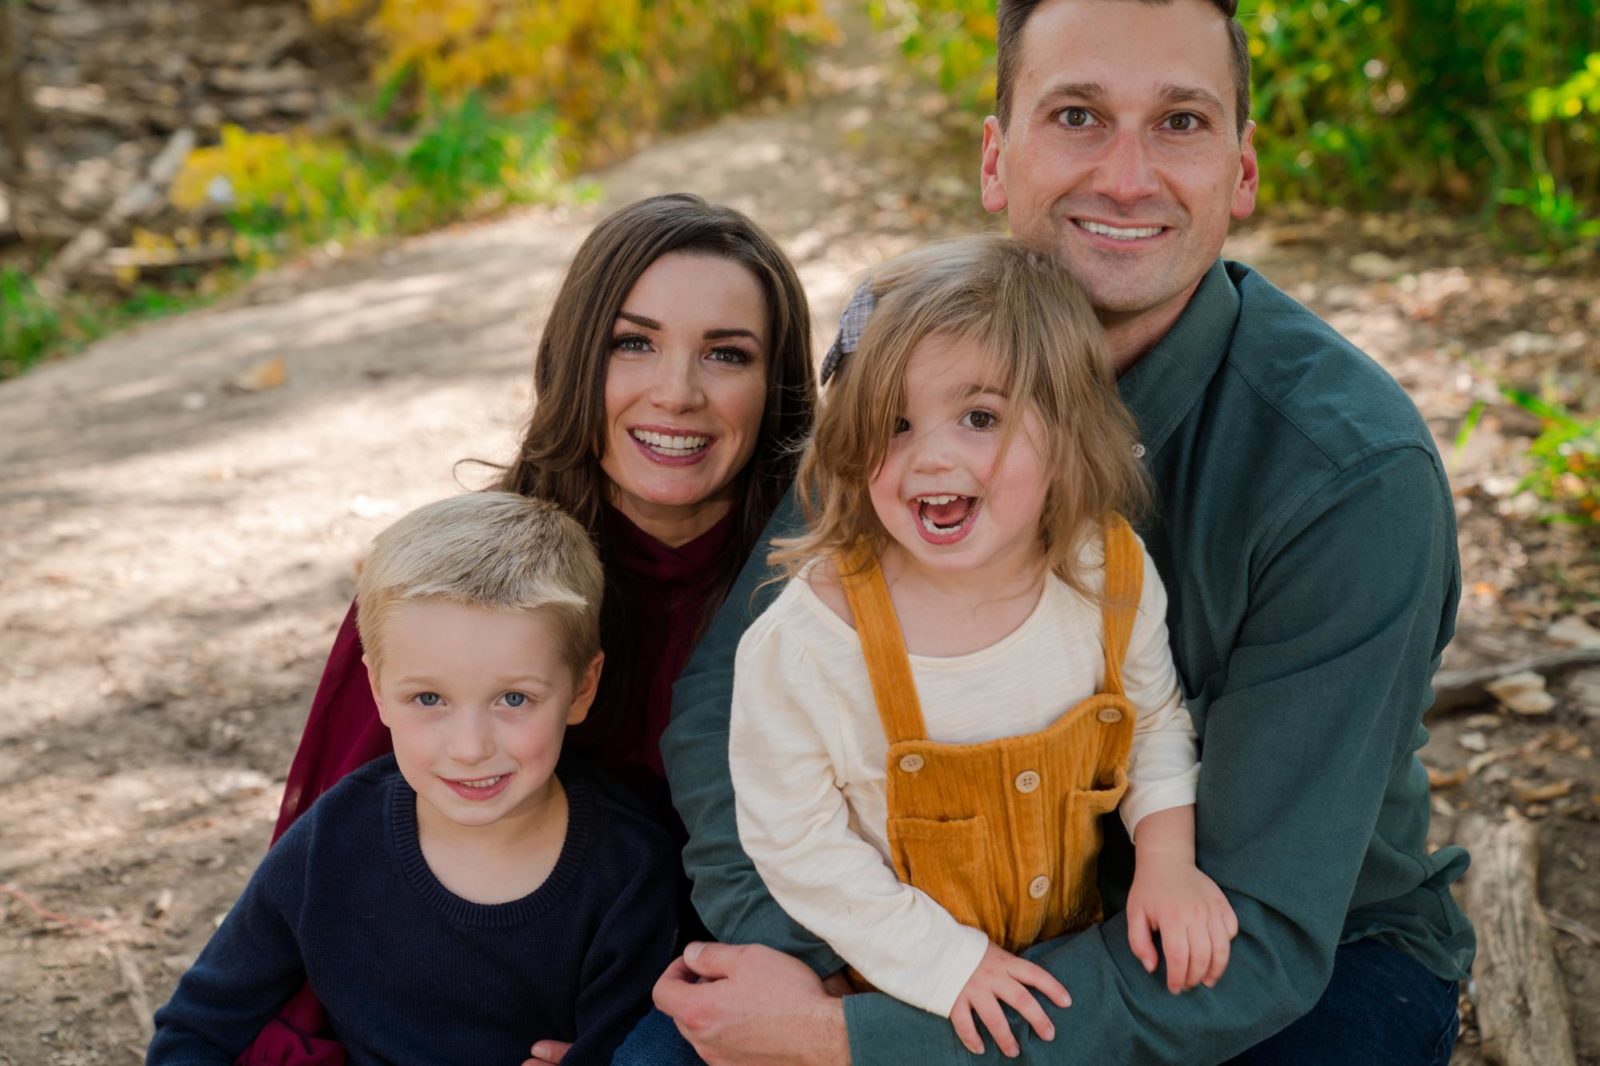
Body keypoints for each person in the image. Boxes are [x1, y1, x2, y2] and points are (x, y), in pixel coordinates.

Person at [654, 0, 1474, 1063]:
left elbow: (1260, 935)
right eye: (1077, 114)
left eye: (1180, 121)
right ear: (997, 160)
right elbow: (726, 724)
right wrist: (815, 970)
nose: (1126, 175)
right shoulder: (917, 373)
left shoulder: (1349, 477)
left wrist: (853, 1039)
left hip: (1262, 962)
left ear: (1242, 168)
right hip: (915, 932)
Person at [241, 192, 817, 1065]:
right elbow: (327, 872)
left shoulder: (825, 592)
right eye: (635, 343)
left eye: (726, 355)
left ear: (772, 387)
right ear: (576, 358)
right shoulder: (462, 594)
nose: (677, 392)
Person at [729, 237, 1235, 1059]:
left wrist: (1167, 861)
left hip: (1077, 970)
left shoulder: (1105, 573)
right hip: (903, 992)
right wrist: (949, 965)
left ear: (1067, 432)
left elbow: (1151, 721)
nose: (931, 454)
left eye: (980, 417)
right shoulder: (809, 646)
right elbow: (798, 842)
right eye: (893, 423)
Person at [149, 492, 678, 1064]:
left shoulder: (628, 869)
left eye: (514, 698)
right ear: (376, 689)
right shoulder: (332, 840)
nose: (471, 748)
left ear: (581, 688)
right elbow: (198, 1026)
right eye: (429, 698)